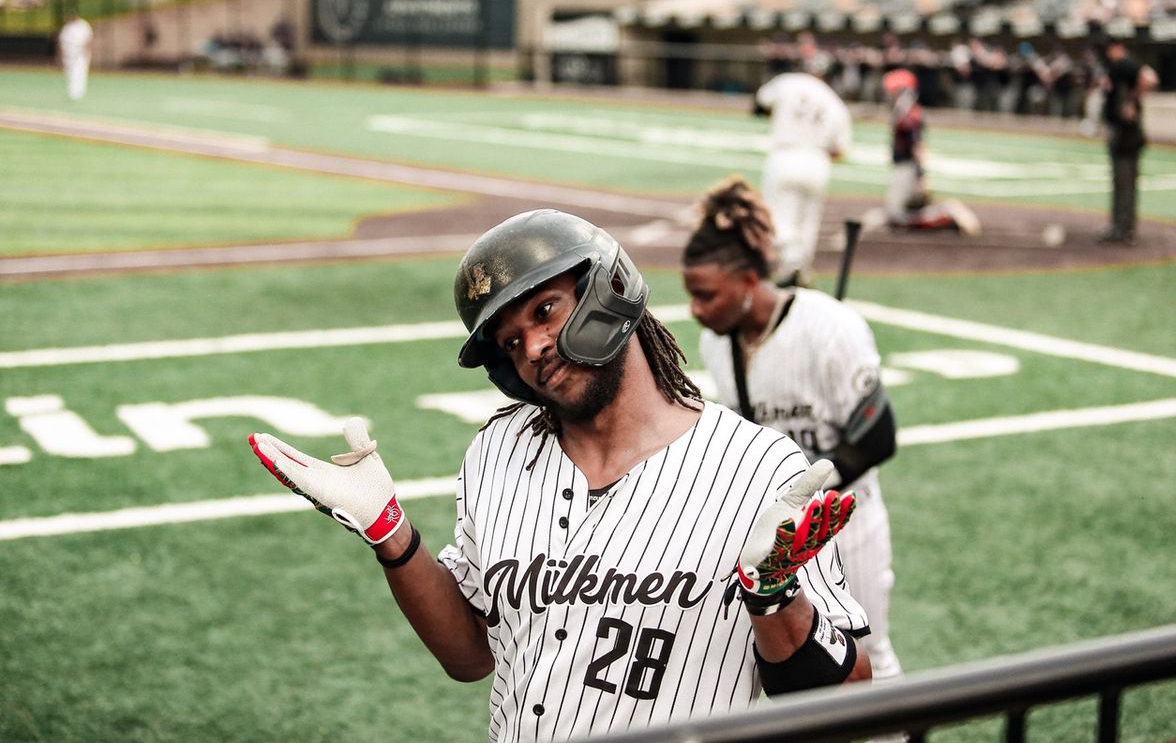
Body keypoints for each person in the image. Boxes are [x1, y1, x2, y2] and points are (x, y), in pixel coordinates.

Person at [248, 209, 872, 742]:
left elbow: (847, 705)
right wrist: (391, 533)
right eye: (511, 341)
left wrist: (774, 597)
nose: (535, 348)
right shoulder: (498, 451)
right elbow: (470, 656)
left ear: (611, 289)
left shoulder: (759, 473)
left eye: (546, 310)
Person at [681, 178, 904, 685]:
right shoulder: (717, 343)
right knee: (796, 667)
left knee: (870, 657)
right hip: (775, 540)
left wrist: (809, 489)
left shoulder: (829, 326)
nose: (696, 309)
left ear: (749, 280)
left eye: (707, 295)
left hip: (847, 523)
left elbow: (877, 435)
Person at [754, 55, 852, 288]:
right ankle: (801, 272)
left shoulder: (788, 81)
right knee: (808, 222)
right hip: (817, 161)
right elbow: (839, 151)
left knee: (778, 217)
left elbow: (760, 103)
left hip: (785, 155)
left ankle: (792, 263)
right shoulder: (835, 102)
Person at [878, 68, 980, 236]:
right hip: (903, 166)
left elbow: (917, 147)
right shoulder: (905, 113)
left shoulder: (910, 117)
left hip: (906, 167)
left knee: (896, 216)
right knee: (899, 212)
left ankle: (946, 213)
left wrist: (920, 176)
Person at [1097, 39, 1158, 245]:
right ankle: (1123, 227)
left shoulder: (1125, 65)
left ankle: (1122, 228)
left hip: (1126, 134)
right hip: (1127, 133)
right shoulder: (1120, 67)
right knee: (1125, 182)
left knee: (1124, 182)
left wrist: (1131, 101)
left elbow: (1149, 77)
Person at [57, 13, 93, 101]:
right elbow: (61, 41)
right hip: (68, 53)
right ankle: (72, 91)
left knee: (79, 72)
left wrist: (84, 50)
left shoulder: (83, 26)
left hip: (80, 53)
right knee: (69, 73)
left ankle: (78, 92)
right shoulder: (67, 27)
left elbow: (88, 39)